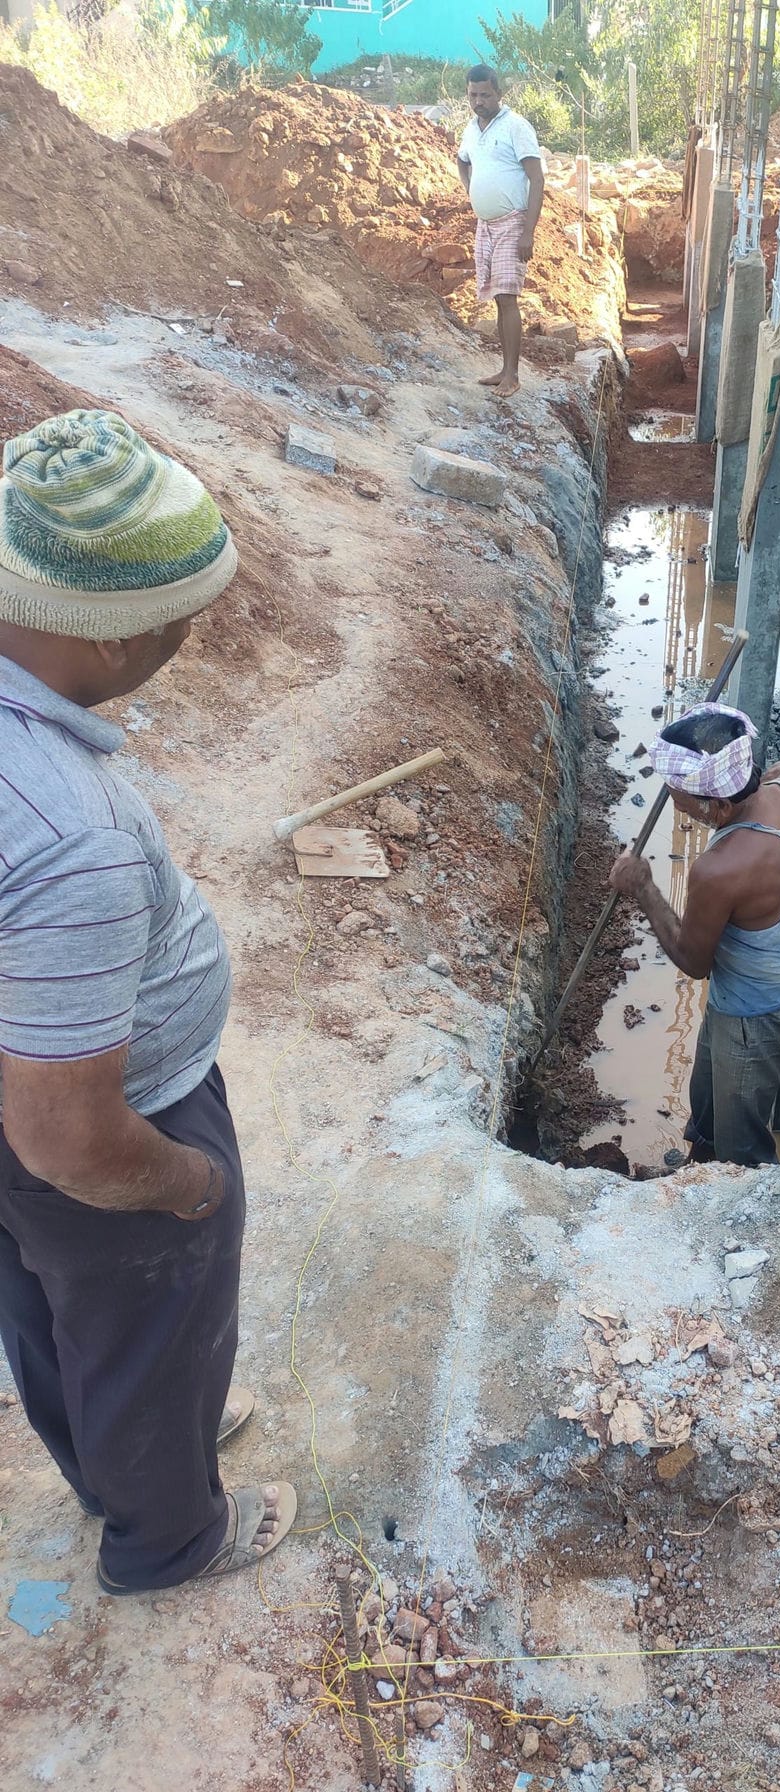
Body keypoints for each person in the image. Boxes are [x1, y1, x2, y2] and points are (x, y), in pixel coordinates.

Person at [0, 409, 296, 1594]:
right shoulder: (73, 838)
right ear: (114, 644)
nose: (191, 633)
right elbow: (73, 1140)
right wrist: (186, 1182)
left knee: (60, 1308)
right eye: (183, 616)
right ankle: (170, 1538)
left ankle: (124, 1460)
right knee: (149, 1306)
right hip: (110, 1121)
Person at [607, 704, 780, 1168]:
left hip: (753, 1017)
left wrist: (643, 887)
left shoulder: (722, 868)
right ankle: (698, 1162)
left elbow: (693, 960)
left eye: (681, 794)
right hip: (779, 982)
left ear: (720, 805)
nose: (673, 798)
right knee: (708, 1101)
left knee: (741, 1148)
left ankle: (735, 1215)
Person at [455, 63, 545, 401]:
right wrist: (471, 189)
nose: (479, 101)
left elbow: (536, 179)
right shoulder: (471, 129)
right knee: (496, 297)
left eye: (485, 95)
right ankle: (503, 370)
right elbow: (461, 160)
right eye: (473, 95)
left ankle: (513, 375)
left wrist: (528, 232)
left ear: (499, 94)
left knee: (507, 297)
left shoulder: (516, 127)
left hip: (512, 223)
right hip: (486, 226)